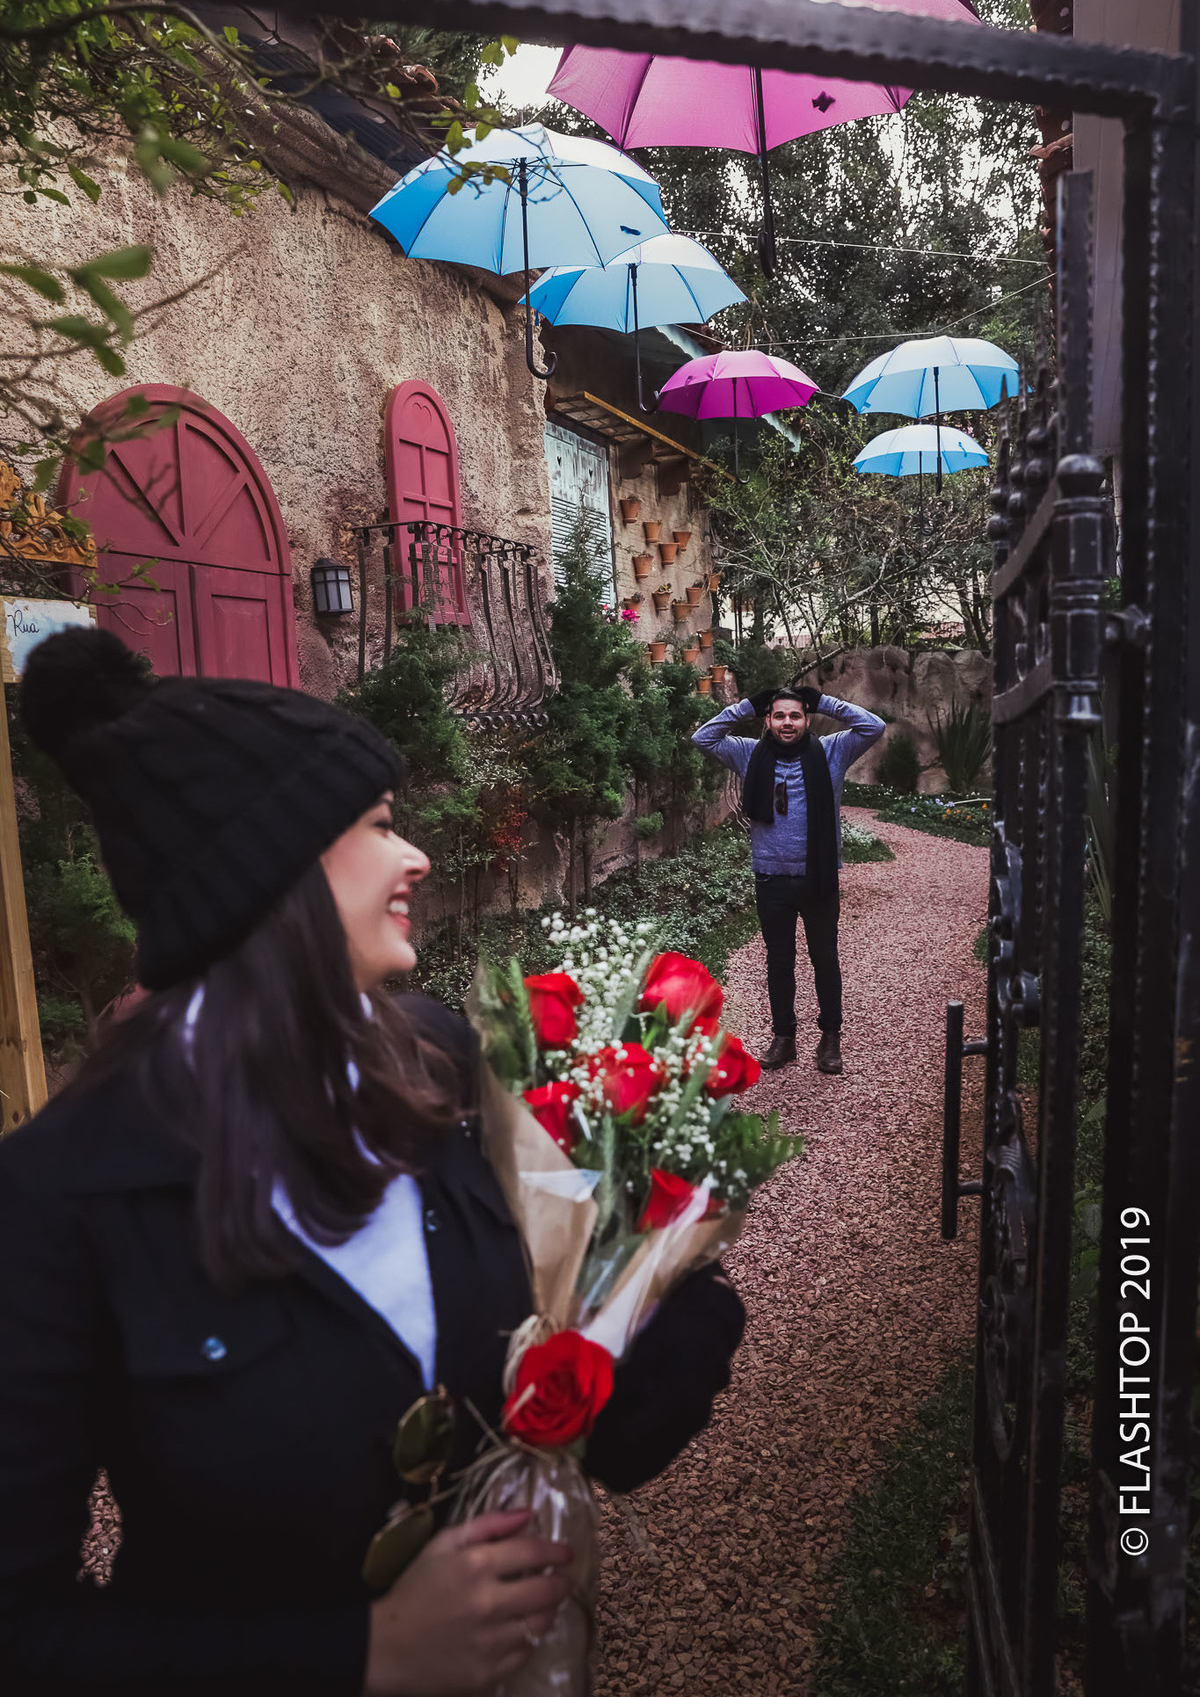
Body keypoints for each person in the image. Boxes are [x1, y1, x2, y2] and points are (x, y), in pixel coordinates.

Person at [0, 628, 744, 1697]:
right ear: (265, 866)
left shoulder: (438, 1055)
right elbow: (21, 1635)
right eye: (380, 827)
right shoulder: (58, 1198)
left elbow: (595, 1338)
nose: (418, 857)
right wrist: (364, 1659)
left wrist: (669, 1259)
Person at [692, 682, 885, 1074]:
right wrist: (746, 704)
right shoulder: (749, 754)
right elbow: (703, 737)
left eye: (795, 715)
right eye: (779, 715)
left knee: (824, 959)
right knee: (779, 961)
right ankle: (784, 1038)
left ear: (807, 719)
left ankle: (830, 1038)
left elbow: (873, 727)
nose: (787, 722)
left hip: (817, 878)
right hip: (771, 878)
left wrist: (825, 699)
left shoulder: (831, 751)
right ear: (768, 719)